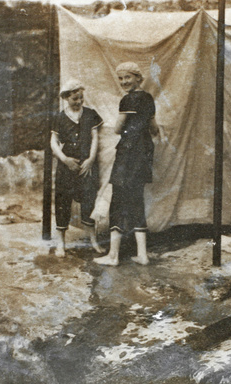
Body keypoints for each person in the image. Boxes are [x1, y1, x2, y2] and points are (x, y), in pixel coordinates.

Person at [94, 62, 159, 266]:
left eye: (127, 77)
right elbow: (154, 129)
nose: (123, 82)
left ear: (138, 78)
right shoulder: (149, 99)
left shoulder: (128, 100)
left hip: (128, 154)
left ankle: (113, 256)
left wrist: (128, 130)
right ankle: (142, 255)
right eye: (121, 78)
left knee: (118, 202)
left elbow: (118, 128)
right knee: (137, 201)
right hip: (144, 154)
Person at [51, 79, 104, 257]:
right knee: (63, 201)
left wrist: (90, 159)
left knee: (89, 199)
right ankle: (60, 243)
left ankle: (93, 240)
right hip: (67, 166)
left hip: (86, 165)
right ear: (66, 98)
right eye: (74, 98)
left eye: (80, 98)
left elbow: (95, 137)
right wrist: (65, 159)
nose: (79, 102)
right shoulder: (59, 117)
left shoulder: (90, 114)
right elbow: (54, 142)